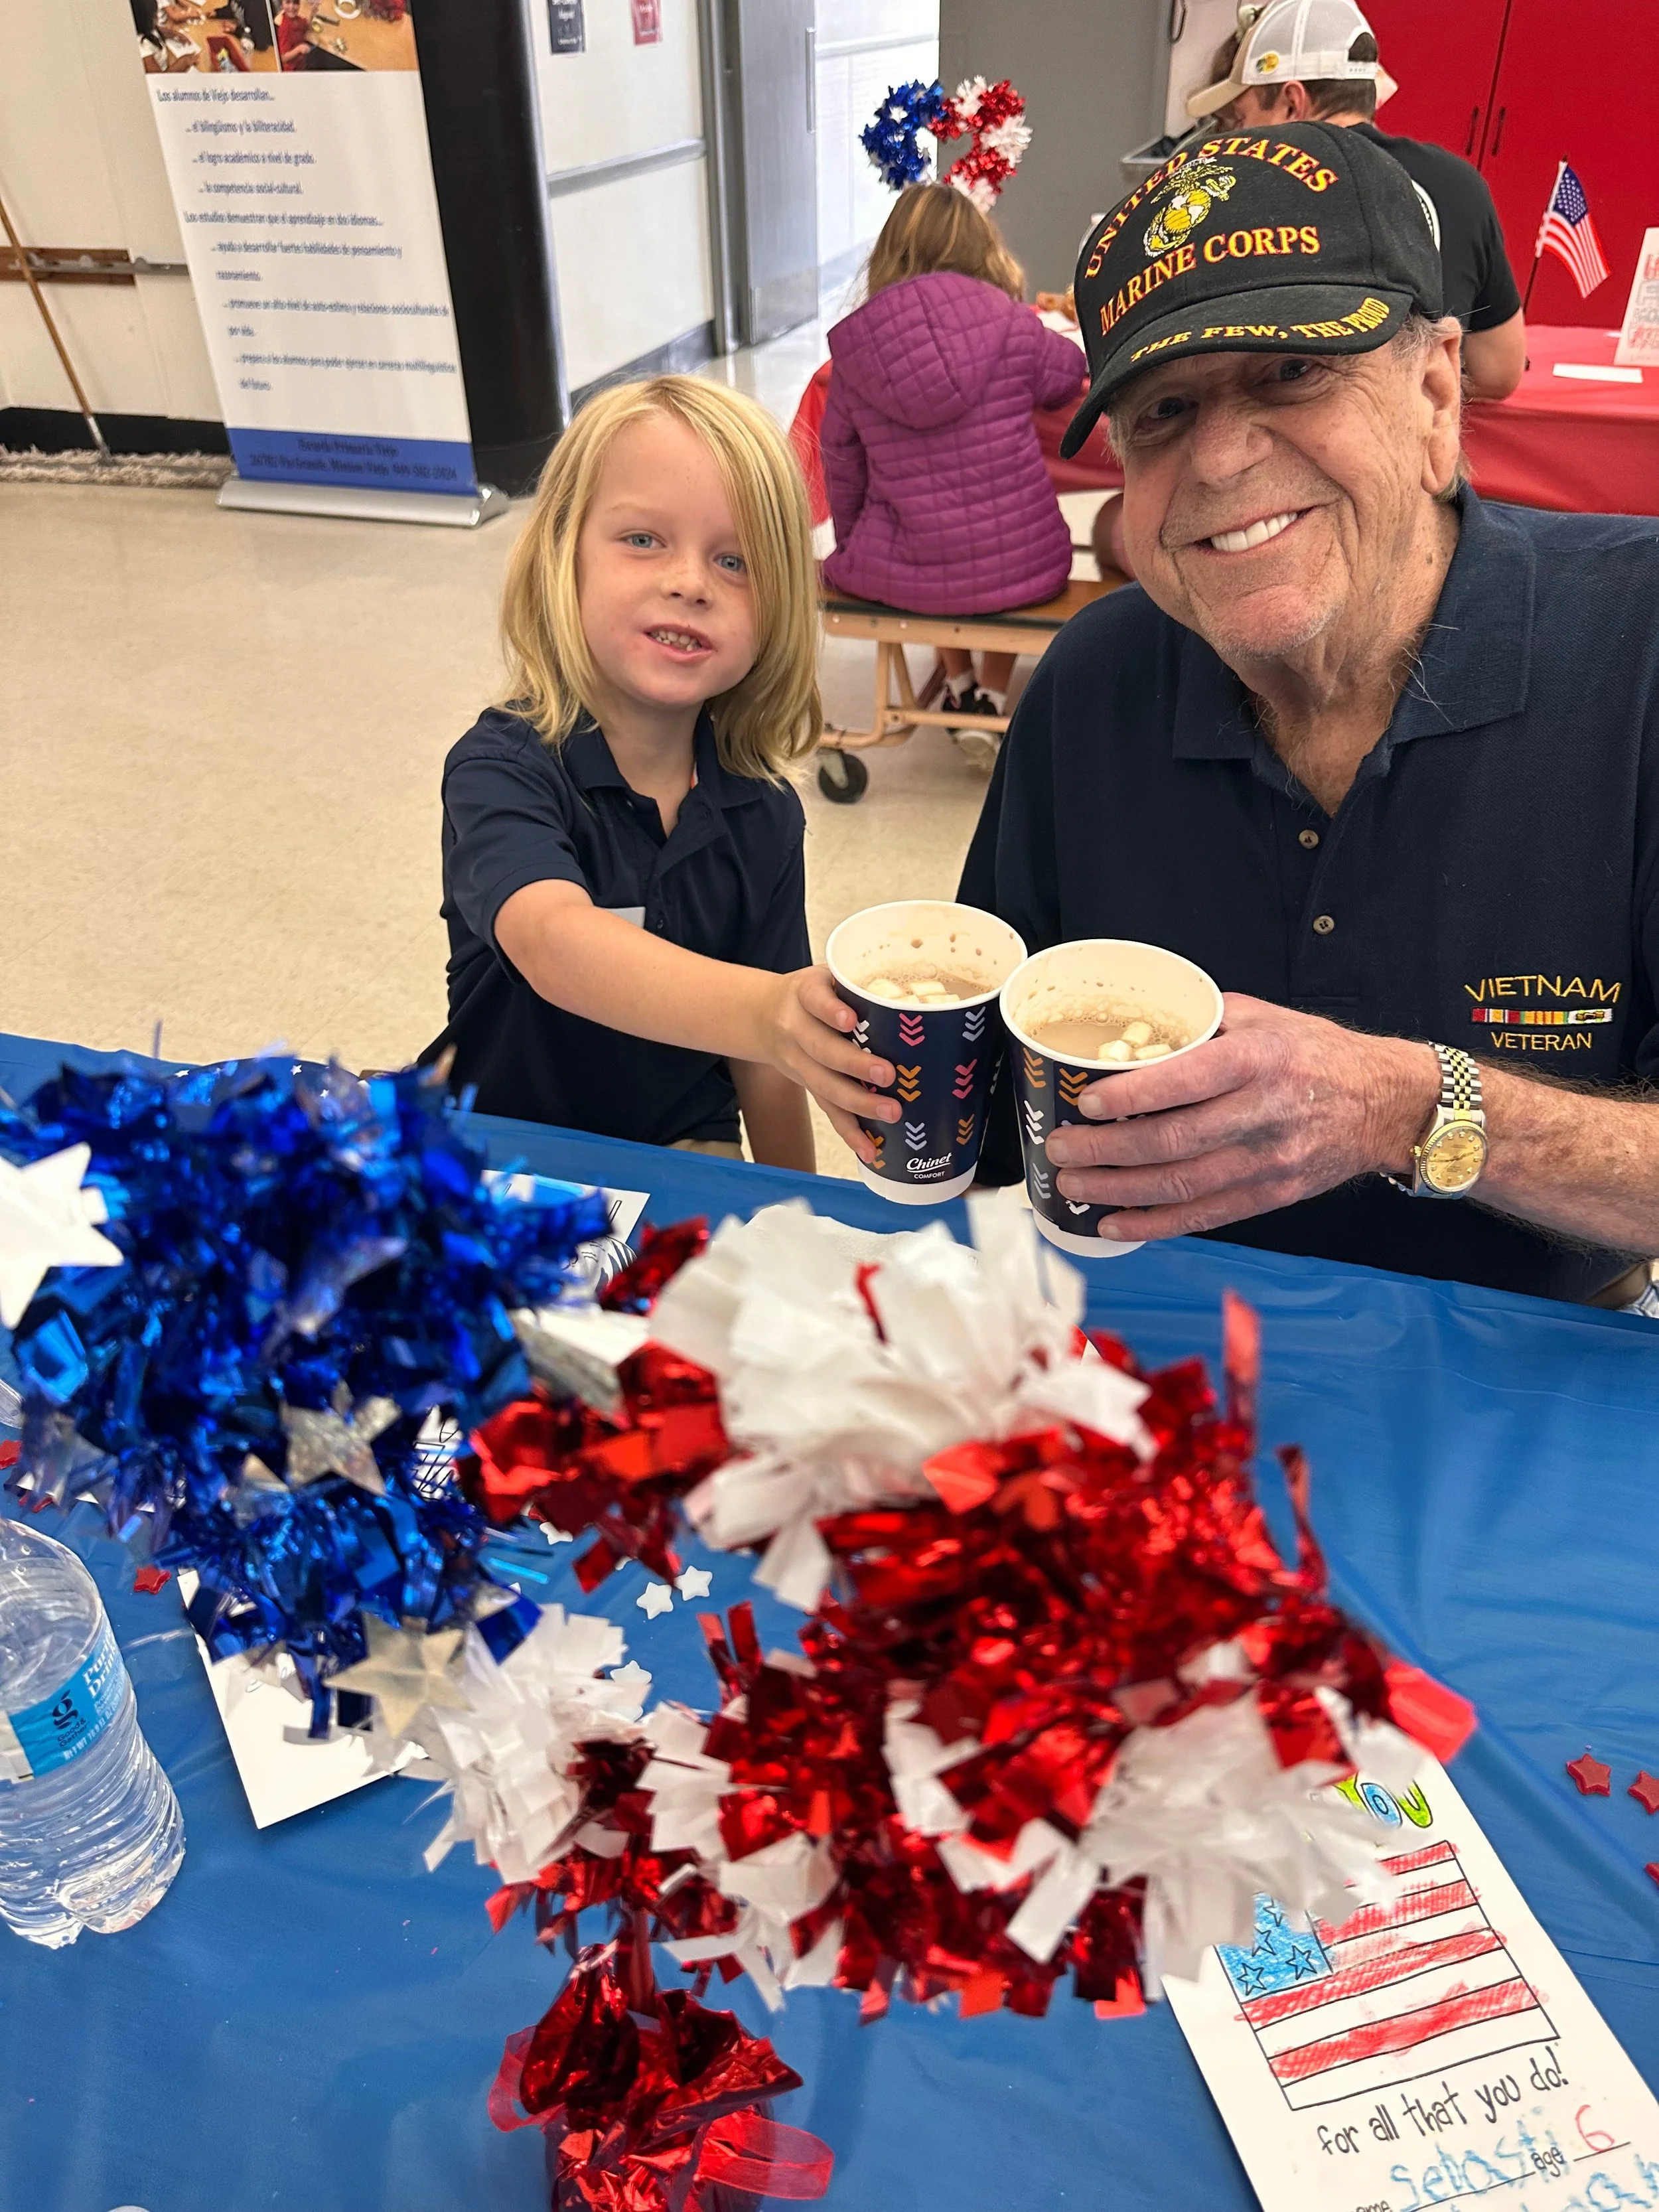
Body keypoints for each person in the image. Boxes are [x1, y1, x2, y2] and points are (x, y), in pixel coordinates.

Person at [960, 121, 1659, 1305]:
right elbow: (993, 1099)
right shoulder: (1089, 687)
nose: (1223, 460)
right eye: (1162, 413)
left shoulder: (1636, 648)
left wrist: (1410, 1107)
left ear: (1438, 390)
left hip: (1531, 1369)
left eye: (1293, 370)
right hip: (1145, 1350)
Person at [425, 377, 897, 1169]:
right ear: (561, 555)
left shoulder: (764, 813)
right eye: (643, 539)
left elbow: (767, 1063)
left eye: (734, 560)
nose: (689, 582)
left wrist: (795, 1217)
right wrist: (769, 1012)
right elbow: (552, 942)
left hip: (684, 1143)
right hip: (501, 1145)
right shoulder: (501, 767)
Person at [820, 184, 1087, 767]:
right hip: (1026, 562)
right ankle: (991, 699)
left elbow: (841, 461)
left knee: (927, 546)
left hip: (909, 566)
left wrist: (851, 545)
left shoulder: (856, 349)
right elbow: (1071, 377)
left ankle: (958, 682)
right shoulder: (1013, 326)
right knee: (995, 554)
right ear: (980, 246)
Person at [1186, 0, 1524, 400]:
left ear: (1292, 102)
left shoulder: (1246, 188)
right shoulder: (1461, 184)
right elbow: (1499, 373)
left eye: (1240, 120)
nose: (1234, 139)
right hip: (1426, 449)